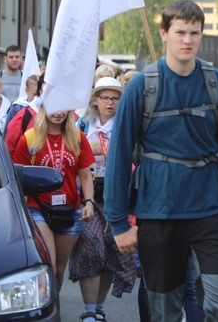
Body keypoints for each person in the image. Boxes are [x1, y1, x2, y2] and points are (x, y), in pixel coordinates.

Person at [105, 0, 218, 321]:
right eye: (180, 32)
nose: (188, 40)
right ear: (164, 33)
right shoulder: (141, 87)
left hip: (211, 211)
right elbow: (117, 158)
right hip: (158, 211)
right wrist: (118, 223)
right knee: (163, 310)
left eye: (194, 33)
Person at [69, 77, 137, 322]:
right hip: (89, 197)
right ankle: (88, 310)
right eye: (105, 97)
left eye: (115, 98)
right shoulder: (81, 126)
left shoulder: (127, 126)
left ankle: (98, 306)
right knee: (90, 246)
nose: (110, 103)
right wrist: (88, 148)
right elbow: (68, 156)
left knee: (111, 250)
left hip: (118, 196)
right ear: (95, 100)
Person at [12, 104, 96, 291]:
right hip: (38, 207)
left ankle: (53, 305)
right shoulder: (29, 138)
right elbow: (19, 177)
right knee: (49, 263)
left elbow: (85, 175)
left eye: (63, 108)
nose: (58, 112)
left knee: (58, 270)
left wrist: (89, 201)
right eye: (54, 108)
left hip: (69, 209)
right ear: (43, 109)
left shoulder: (78, 137)